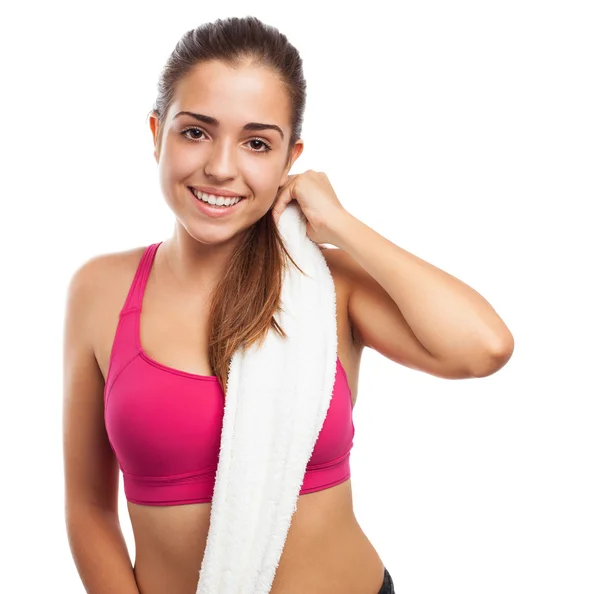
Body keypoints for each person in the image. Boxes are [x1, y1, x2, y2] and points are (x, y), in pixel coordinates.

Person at [62, 16, 514, 594]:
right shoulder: (99, 290)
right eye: (196, 132)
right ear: (157, 133)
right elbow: (89, 512)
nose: (221, 167)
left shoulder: (328, 283)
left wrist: (342, 224)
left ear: (289, 158)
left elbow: (484, 347)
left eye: (256, 143)